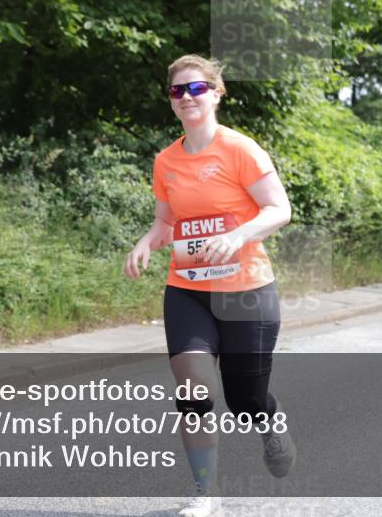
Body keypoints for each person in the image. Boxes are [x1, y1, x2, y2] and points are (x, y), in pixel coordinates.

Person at [124, 55, 295, 517]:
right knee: (194, 389)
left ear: (216, 93)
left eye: (196, 89)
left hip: (246, 291)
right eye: (177, 91)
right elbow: (165, 222)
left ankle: (269, 418)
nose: (187, 98)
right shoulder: (166, 160)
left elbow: (279, 209)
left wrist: (237, 235)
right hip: (187, 290)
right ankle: (206, 495)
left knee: (245, 400)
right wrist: (145, 243)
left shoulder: (241, 150)